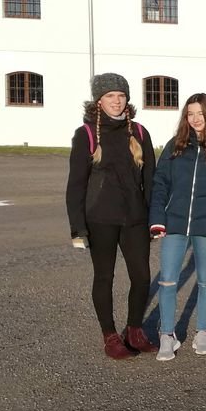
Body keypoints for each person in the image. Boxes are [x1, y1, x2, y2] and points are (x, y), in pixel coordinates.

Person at [66, 73, 158, 359]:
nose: (116, 101)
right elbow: (76, 184)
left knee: (142, 277)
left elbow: (151, 180)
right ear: (99, 101)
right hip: (100, 218)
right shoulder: (86, 134)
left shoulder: (139, 132)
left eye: (121, 96)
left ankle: (134, 330)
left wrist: (153, 218)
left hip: (135, 218)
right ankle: (110, 336)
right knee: (104, 277)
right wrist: (77, 227)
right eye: (110, 96)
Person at [148, 93, 206, 360]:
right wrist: (157, 219)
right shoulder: (175, 146)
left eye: (201, 113)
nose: (196, 119)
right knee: (167, 280)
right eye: (190, 114)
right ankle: (167, 335)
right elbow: (160, 183)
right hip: (174, 223)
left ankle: (202, 332)